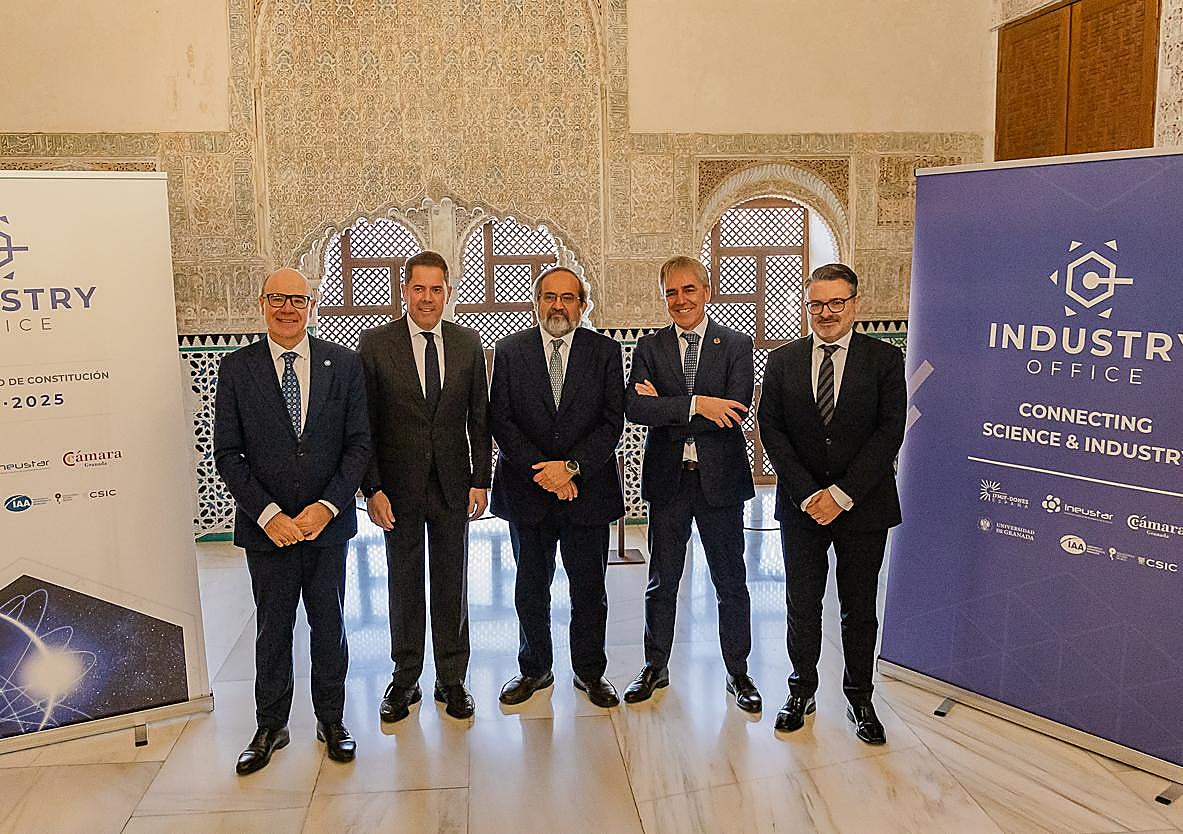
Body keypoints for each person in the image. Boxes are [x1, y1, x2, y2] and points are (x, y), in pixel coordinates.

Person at [214, 267, 371, 773]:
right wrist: (268, 514)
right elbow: (229, 453)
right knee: (273, 628)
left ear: (312, 305)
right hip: (269, 533)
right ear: (262, 303)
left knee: (330, 625)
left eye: (297, 300)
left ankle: (332, 720)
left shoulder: (342, 365)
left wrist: (325, 507)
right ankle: (270, 726)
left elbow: (358, 445)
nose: (288, 308)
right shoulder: (237, 369)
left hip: (326, 528)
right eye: (277, 299)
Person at [757, 263, 906, 745]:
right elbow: (772, 432)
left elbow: (889, 433)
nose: (826, 312)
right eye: (817, 303)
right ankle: (800, 689)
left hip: (863, 506)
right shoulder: (781, 361)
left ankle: (860, 697)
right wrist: (807, 493)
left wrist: (841, 495)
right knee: (802, 604)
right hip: (802, 507)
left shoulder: (884, 360)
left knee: (858, 607)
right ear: (807, 305)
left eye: (836, 302)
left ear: (854, 304)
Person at [622, 256, 761, 712]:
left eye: (688, 290)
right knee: (662, 580)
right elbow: (636, 410)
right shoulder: (650, 347)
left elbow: (735, 412)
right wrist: (701, 403)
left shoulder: (737, 345)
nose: (680, 300)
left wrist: (673, 406)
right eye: (671, 293)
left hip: (720, 481)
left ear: (706, 291)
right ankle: (654, 666)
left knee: (730, 580)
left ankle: (738, 672)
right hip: (669, 481)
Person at [357, 250, 491, 723]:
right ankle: (405, 677)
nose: (427, 298)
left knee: (452, 582)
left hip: (454, 486)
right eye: (419, 288)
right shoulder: (375, 346)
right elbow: (365, 427)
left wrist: (480, 480)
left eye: (436, 289)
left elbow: (480, 418)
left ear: (448, 291)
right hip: (398, 489)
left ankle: (452, 678)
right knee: (405, 582)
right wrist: (372, 488)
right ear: (405, 291)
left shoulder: (468, 343)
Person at [488, 266, 625, 708]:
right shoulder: (510, 352)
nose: (559, 306)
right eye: (549, 296)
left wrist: (570, 468)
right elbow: (501, 422)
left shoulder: (604, 352)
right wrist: (545, 472)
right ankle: (535, 669)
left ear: (582, 305)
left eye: (568, 297)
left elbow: (610, 423)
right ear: (536, 301)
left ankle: (589, 672)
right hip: (527, 493)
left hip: (588, 492)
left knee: (589, 589)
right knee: (531, 586)